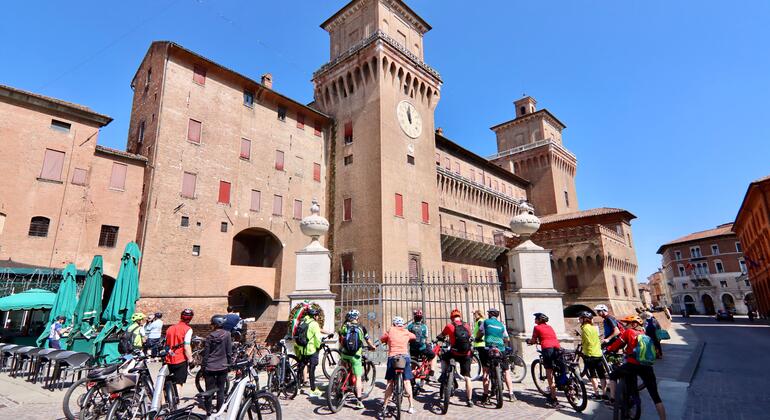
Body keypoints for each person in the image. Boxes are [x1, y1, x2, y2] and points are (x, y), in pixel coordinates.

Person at [606, 315, 667, 420]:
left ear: (633, 324)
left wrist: (609, 349)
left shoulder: (628, 332)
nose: (625, 325)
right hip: (647, 366)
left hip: (632, 364)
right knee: (655, 396)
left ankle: (612, 399)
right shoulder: (644, 334)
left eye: (627, 323)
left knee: (613, 375)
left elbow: (617, 345)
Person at [337, 309, 376, 408]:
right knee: (358, 377)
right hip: (355, 355)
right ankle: (359, 401)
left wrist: (341, 349)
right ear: (357, 317)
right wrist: (372, 347)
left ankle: (338, 386)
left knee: (343, 369)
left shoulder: (345, 326)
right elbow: (368, 340)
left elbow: (341, 340)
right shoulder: (361, 328)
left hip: (345, 354)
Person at [477, 308, 515, 402]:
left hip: (489, 347)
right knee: (506, 371)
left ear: (489, 314)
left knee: (485, 371)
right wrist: (501, 340)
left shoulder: (485, 322)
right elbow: (507, 338)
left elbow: (480, 333)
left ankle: (485, 395)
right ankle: (511, 394)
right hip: (500, 348)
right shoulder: (502, 325)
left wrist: (477, 339)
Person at [380, 316, 417, 416]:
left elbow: (382, 338)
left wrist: (386, 340)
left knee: (390, 382)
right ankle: (411, 406)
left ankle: (384, 406)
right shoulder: (406, 331)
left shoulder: (390, 330)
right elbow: (414, 337)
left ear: (393, 323)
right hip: (405, 358)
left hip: (393, 357)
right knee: (407, 382)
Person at [437, 309, 474, 407]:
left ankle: (444, 373)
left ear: (451, 318)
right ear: (460, 317)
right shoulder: (466, 326)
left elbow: (441, 335)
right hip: (466, 354)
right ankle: (469, 400)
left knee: (444, 357)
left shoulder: (449, 326)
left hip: (454, 352)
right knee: (467, 377)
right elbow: (470, 336)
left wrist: (439, 338)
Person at [526, 312, 561, 408]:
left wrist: (529, 341)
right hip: (557, 348)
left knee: (549, 372)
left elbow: (533, 340)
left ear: (539, 320)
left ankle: (553, 398)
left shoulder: (537, 328)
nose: (534, 320)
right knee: (558, 368)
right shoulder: (549, 327)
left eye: (536, 318)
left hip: (547, 349)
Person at [294, 307, 330, 397]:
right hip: (311, 350)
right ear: (314, 316)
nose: (318, 317)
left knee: (301, 368)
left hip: (302, 349)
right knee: (312, 369)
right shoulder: (314, 324)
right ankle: (313, 390)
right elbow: (317, 338)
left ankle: (297, 388)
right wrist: (319, 347)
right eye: (317, 315)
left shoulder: (303, 321)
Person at [202, 315, 233, 414]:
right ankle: (219, 410)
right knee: (220, 390)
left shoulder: (209, 337)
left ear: (215, 324)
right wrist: (229, 364)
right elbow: (229, 352)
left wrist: (203, 367)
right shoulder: (227, 335)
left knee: (209, 390)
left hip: (210, 366)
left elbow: (206, 355)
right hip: (223, 366)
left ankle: (208, 411)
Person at [578, 311, 606, 400]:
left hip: (590, 354)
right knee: (601, 375)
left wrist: (583, 344)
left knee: (593, 375)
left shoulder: (585, 328)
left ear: (584, 319)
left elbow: (588, 341)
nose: (579, 320)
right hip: (598, 353)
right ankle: (604, 394)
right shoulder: (594, 328)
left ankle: (597, 394)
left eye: (580, 318)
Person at [165, 308, 195, 393]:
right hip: (180, 359)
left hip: (169, 358)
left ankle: (163, 403)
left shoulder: (170, 328)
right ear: (190, 318)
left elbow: (166, 344)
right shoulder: (188, 329)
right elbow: (186, 346)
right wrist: (191, 360)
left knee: (167, 382)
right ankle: (175, 402)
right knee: (179, 383)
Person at [406, 309, 436, 383]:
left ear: (414, 317)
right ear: (421, 318)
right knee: (433, 355)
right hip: (422, 348)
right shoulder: (424, 326)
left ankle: (412, 378)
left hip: (413, 349)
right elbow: (426, 337)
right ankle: (431, 372)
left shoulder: (410, 326)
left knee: (413, 363)